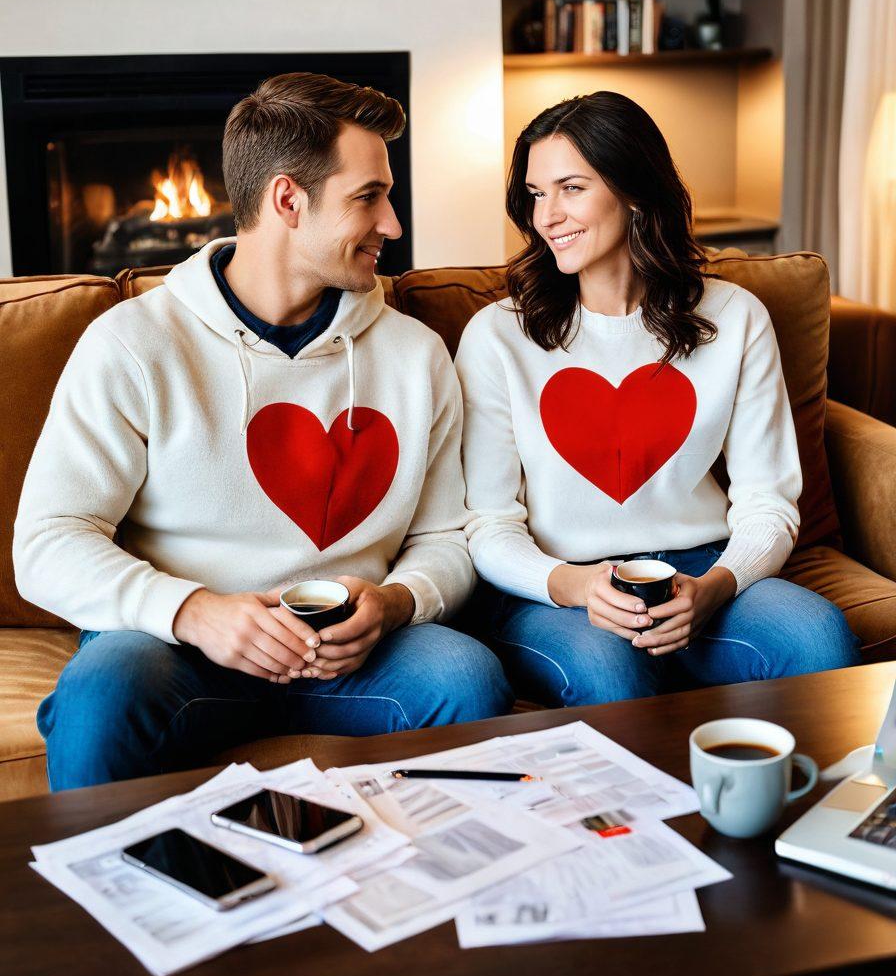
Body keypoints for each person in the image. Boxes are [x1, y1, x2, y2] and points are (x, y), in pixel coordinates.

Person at [15, 72, 512, 791]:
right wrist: (193, 612)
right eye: (368, 198)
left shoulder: (414, 355)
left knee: (468, 677)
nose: (394, 225)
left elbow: (447, 538)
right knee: (100, 695)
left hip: (351, 654)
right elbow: (46, 542)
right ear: (288, 199)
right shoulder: (132, 343)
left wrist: (395, 602)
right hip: (176, 650)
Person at [454, 90, 860, 708]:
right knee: (610, 675)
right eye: (537, 194)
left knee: (817, 639)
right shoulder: (497, 336)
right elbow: (488, 523)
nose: (547, 216)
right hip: (556, 585)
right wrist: (570, 584)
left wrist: (718, 585)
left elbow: (766, 502)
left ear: (635, 192)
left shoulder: (735, 318)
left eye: (571, 188)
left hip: (699, 565)